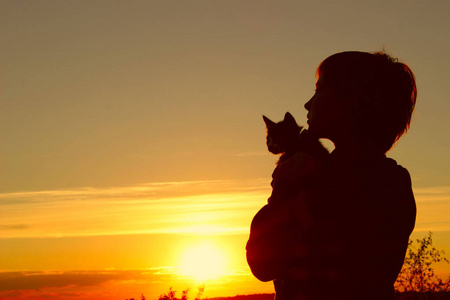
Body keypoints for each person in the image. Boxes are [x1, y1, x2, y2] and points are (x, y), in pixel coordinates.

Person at [246, 51, 417, 300]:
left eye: (319, 91)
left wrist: (285, 190)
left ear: (351, 101)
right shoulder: (387, 179)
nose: (307, 104)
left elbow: (263, 263)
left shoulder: (378, 183)